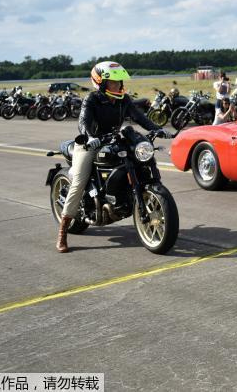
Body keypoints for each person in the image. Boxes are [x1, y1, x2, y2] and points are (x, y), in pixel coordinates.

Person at [57, 61, 169, 253]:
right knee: (79, 182)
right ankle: (62, 232)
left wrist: (157, 129)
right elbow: (83, 122)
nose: (118, 85)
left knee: (139, 157)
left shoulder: (123, 99)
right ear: (100, 82)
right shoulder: (91, 99)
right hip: (89, 143)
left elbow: (138, 116)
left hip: (114, 139)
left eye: (119, 81)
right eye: (113, 82)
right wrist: (90, 137)